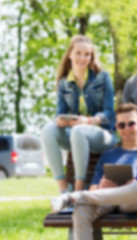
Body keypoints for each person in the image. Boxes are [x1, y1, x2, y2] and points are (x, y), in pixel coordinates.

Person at [50, 103, 137, 240]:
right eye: (122, 125)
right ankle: (77, 198)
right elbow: (93, 188)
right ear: (116, 127)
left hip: (133, 201)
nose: (126, 129)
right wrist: (101, 186)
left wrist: (131, 187)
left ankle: (74, 196)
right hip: (106, 201)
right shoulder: (108, 155)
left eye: (131, 124)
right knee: (81, 209)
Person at [41, 35, 117, 192]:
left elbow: (110, 113)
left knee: (79, 130)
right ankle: (64, 189)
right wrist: (61, 121)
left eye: (87, 54)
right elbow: (59, 113)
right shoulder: (63, 82)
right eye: (78, 53)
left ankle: (78, 189)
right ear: (70, 54)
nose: (82, 58)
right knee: (48, 130)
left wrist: (89, 121)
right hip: (76, 135)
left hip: (103, 135)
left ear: (91, 57)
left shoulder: (103, 78)